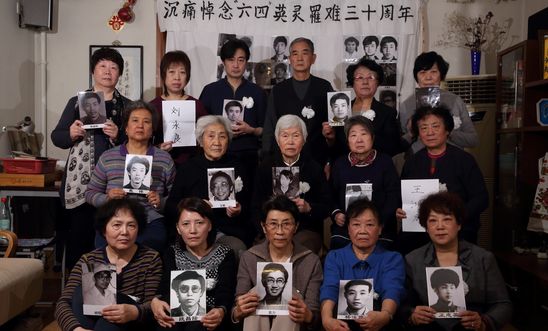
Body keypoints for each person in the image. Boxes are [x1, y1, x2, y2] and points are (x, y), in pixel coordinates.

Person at [51, 47, 129, 270]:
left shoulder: (126, 105)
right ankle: (76, 298)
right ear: (93, 71)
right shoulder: (77, 102)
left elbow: (137, 141)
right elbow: (57, 136)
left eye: (113, 67)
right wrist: (71, 134)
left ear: (119, 73)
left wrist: (119, 135)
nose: (108, 72)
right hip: (80, 185)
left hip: (114, 183)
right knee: (79, 240)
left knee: (111, 241)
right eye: (102, 66)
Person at [401, 192, 512, 331]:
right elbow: (403, 304)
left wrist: (484, 322)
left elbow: (503, 305)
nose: (439, 226)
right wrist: (412, 315)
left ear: (459, 224)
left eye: (447, 219)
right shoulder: (412, 260)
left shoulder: (483, 258)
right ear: (426, 227)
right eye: (433, 221)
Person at [55, 198, 162, 331]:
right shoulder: (89, 260)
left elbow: (154, 303)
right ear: (104, 230)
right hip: (90, 325)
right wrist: (76, 329)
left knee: (108, 323)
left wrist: (135, 311)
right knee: (80, 292)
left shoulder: (150, 258)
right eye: (117, 225)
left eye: (131, 225)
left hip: (132, 324)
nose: (124, 232)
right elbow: (63, 303)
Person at [395, 106, 488, 255]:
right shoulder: (412, 162)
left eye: (435, 126)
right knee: (403, 247)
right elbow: (402, 196)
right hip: (419, 228)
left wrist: (456, 216)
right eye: (423, 128)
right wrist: (400, 209)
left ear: (447, 130)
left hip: (457, 228)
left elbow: (482, 199)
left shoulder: (464, 160)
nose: (429, 132)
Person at [86, 100, 176, 253]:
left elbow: (176, 197)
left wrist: (160, 202)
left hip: (150, 219)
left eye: (146, 121)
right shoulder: (108, 157)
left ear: (153, 129)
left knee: (152, 246)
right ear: (126, 128)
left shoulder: (164, 159)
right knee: (104, 250)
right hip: (114, 218)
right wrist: (107, 199)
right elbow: (90, 193)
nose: (140, 125)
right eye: (135, 120)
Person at [232, 195, 323, 331]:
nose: (279, 232)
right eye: (273, 224)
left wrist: (308, 316)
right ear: (264, 227)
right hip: (256, 323)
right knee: (254, 293)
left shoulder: (311, 261)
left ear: (296, 227)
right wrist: (237, 311)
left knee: (289, 297)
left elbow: (314, 316)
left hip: (294, 325)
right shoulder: (249, 257)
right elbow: (237, 307)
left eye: (286, 224)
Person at [166, 115, 252, 251]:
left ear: (228, 141)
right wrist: (196, 207)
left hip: (227, 230)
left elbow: (252, 203)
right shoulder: (188, 168)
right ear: (201, 141)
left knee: (236, 248)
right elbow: (171, 206)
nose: (217, 142)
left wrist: (239, 209)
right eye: (211, 136)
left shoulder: (239, 166)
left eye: (222, 137)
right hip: (194, 230)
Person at [151, 197, 236, 331]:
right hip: (179, 314)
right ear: (178, 228)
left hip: (210, 317)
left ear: (210, 225)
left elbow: (225, 290)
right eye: (185, 224)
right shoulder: (172, 253)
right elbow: (166, 284)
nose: (193, 230)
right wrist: (156, 300)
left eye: (199, 223)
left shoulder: (225, 253)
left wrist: (221, 310)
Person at [320, 199, 405, 331]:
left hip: (380, 322)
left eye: (370, 225)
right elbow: (329, 289)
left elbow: (392, 290)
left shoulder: (392, 259)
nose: (363, 231)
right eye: (356, 224)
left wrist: (385, 315)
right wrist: (326, 319)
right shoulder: (335, 257)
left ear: (380, 228)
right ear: (348, 229)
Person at [253, 115, 331, 254]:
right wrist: (266, 229)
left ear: (304, 140)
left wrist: (308, 207)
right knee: (261, 251)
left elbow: (326, 206)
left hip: (304, 230)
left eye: (296, 136)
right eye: (285, 136)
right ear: (277, 140)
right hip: (272, 230)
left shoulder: (314, 168)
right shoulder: (265, 167)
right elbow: (255, 205)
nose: (290, 141)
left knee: (299, 250)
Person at [200, 39, 267, 188]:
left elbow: (266, 129)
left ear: (246, 62)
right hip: (216, 154)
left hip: (248, 155)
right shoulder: (210, 91)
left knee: (246, 197)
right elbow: (200, 127)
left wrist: (251, 130)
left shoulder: (257, 92)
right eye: (231, 60)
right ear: (223, 62)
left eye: (240, 60)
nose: (236, 65)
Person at [329, 116, 400, 250]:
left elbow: (393, 195)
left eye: (364, 134)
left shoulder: (385, 162)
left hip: (380, 228)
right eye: (353, 135)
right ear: (347, 140)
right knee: (339, 247)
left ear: (372, 138)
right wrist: (336, 213)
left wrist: (378, 221)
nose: (359, 139)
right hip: (346, 228)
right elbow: (330, 194)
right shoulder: (340, 164)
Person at [262, 37, 334, 168]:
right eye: (295, 54)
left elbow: (335, 127)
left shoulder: (324, 87)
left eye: (305, 53)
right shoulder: (278, 90)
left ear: (313, 58)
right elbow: (269, 127)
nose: (300, 58)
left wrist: (330, 160)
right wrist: (267, 158)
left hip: (318, 159)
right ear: (290, 59)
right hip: (284, 160)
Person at [323, 57, 404, 162]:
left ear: (378, 82)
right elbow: (335, 150)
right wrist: (331, 138)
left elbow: (393, 148)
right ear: (352, 82)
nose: (365, 82)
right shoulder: (341, 109)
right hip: (345, 168)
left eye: (370, 77)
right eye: (359, 77)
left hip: (376, 168)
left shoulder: (388, 113)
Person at [399, 51, 478, 154]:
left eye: (433, 72)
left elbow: (473, 140)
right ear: (416, 77)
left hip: (452, 160)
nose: (428, 77)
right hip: (419, 162)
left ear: (441, 75)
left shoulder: (455, 101)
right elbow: (399, 146)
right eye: (422, 73)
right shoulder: (406, 105)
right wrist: (411, 133)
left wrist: (448, 131)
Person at [149, 51, 208, 166]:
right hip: (161, 164)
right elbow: (143, 140)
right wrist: (158, 148)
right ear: (163, 75)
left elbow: (207, 135)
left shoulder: (197, 105)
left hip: (192, 163)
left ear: (188, 76)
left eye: (182, 72)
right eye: (171, 72)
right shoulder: (153, 106)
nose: (177, 77)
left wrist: (200, 140)